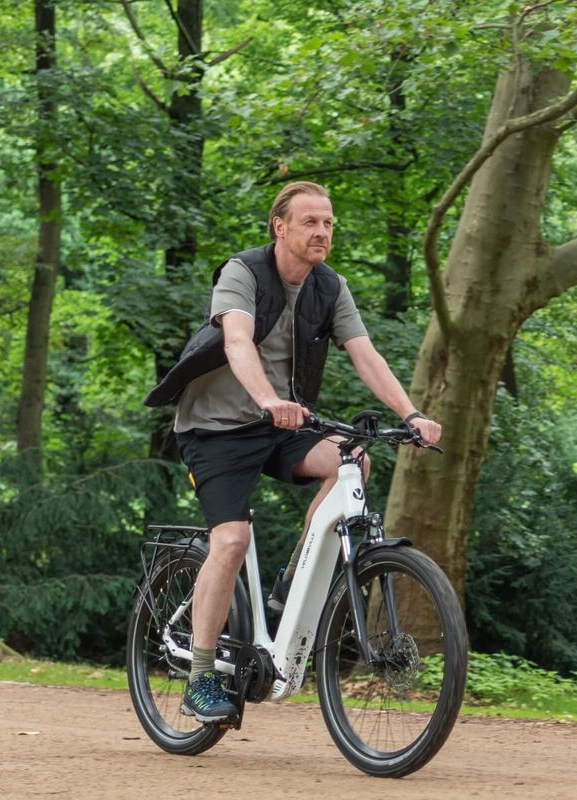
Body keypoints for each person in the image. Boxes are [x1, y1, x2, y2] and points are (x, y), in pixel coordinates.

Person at [144, 181, 441, 723]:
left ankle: (286, 590)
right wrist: (266, 399)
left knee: (353, 458)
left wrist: (412, 415)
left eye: (328, 223)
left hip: (283, 423)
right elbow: (236, 341)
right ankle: (202, 675)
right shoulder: (243, 273)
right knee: (231, 540)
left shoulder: (331, 287)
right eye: (310, 222)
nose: (322, 232)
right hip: (215, 429)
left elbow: (365, 354)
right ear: (280, 227)